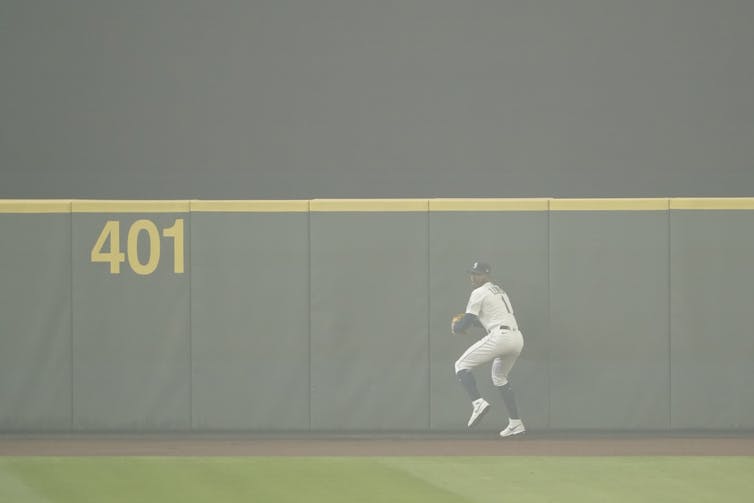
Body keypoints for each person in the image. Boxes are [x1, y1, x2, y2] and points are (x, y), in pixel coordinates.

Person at [452, 261, 525, 438]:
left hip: (501, 336)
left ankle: (478, 403)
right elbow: (486, 320)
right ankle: (516, 423)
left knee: (461, 365)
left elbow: (467, 321)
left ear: (486, 275)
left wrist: (457, 327)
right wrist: (465, 324)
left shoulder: (479, 292)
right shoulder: (498, 290)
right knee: (499, 378)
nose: (473, 276)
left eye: (477, 274)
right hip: (516, 338)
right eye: (472, 273)